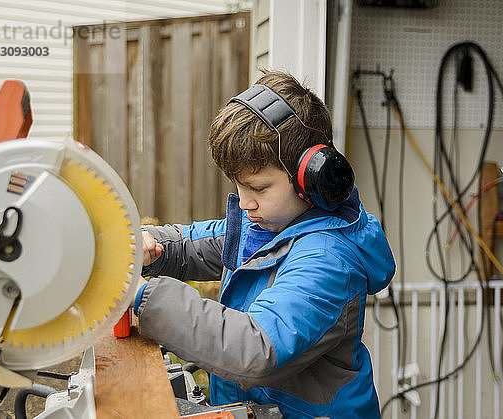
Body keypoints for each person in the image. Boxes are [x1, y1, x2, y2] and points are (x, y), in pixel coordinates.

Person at [133, 70, 395, 419]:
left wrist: (142, 296)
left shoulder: (330, 258)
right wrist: (149, 246)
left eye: (258, 188)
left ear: (311, 177)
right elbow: (191, 244)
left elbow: (256, 349)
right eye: (239, 186)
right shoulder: (270, 226)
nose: (244, 203)